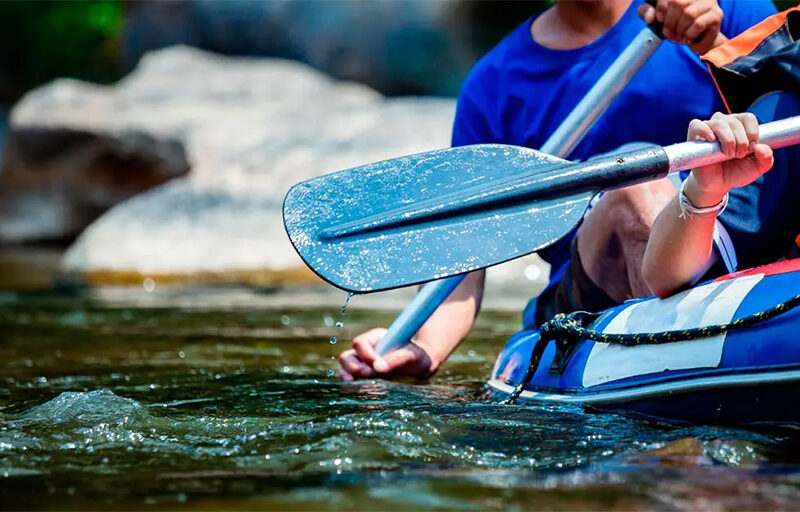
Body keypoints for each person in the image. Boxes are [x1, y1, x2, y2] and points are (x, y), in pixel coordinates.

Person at [338, 0, 777, 382]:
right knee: (634, 185)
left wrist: (717, 45)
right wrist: (424, 346)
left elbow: (784, 104)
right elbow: (466, 256)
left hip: (736, 248)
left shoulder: (726, 9)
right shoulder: (493, 85)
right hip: (593, 287)